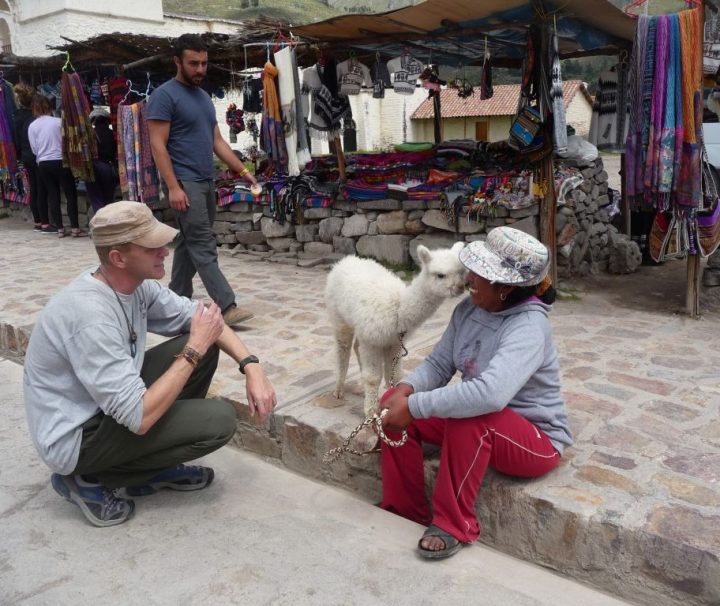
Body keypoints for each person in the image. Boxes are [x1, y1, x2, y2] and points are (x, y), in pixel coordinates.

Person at [24, 201, 277, 527]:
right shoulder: (90, 317)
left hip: (104, 408)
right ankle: (85, 478)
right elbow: (139, 418)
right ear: (118, 258)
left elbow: (206, 320)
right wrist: (195, 347)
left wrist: (251, 366)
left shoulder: (134, 286)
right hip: (76, 437)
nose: (166, 252)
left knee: (206, 346)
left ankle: (149, 467)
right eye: (152, 247)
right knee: (218, 420)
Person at [378, 226, 573, 559]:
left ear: (505, 288)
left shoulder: (529, 327)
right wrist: (406, 391)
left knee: (470, 418)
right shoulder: (469, 310)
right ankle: (405, 506)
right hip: (488, 422)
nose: (468, 278)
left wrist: (415, 406)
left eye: (479, 273)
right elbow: (440, 364)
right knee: (390, 403)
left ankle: (454, 523)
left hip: (536, 440)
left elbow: (489, 396)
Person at [147, 33, 258, 327]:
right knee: (202, 241)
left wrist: (243, 172)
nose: (200, 69)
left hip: (206, 180)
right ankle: (227, 304)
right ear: (177, 62)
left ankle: (175, 296)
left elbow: (217, 141)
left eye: (204, 63)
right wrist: (172, 186)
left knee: (189, 242)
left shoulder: (204, 98)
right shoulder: (164, 96)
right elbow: (157, 145)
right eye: (193, 63)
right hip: (184, 182)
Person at [27, 94, 86, 238]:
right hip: (60, 160)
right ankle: (75, 228)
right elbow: (67, 142)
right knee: (70, 193)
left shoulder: (32, 126)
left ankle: (59, 229)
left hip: (43, 163)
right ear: (49, 106)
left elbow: (34, 149)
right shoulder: (59, 121)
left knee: (53, 195)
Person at [13, 83, 47, 231]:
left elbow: (16, 140)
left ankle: (38, 222)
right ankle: (45, 222)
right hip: (36, 155)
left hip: (25, 156)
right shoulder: (33, 117)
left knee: (34, 189)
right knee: (41, 188)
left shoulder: (17, 117)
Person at [84, 108, 119, 211]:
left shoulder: (89, 134)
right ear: (107, 121)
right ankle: (108, 222)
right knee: (108, 200)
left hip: (91, 169)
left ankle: (100, 222)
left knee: (96, 199)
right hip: (108, 168)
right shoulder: (113, 134)